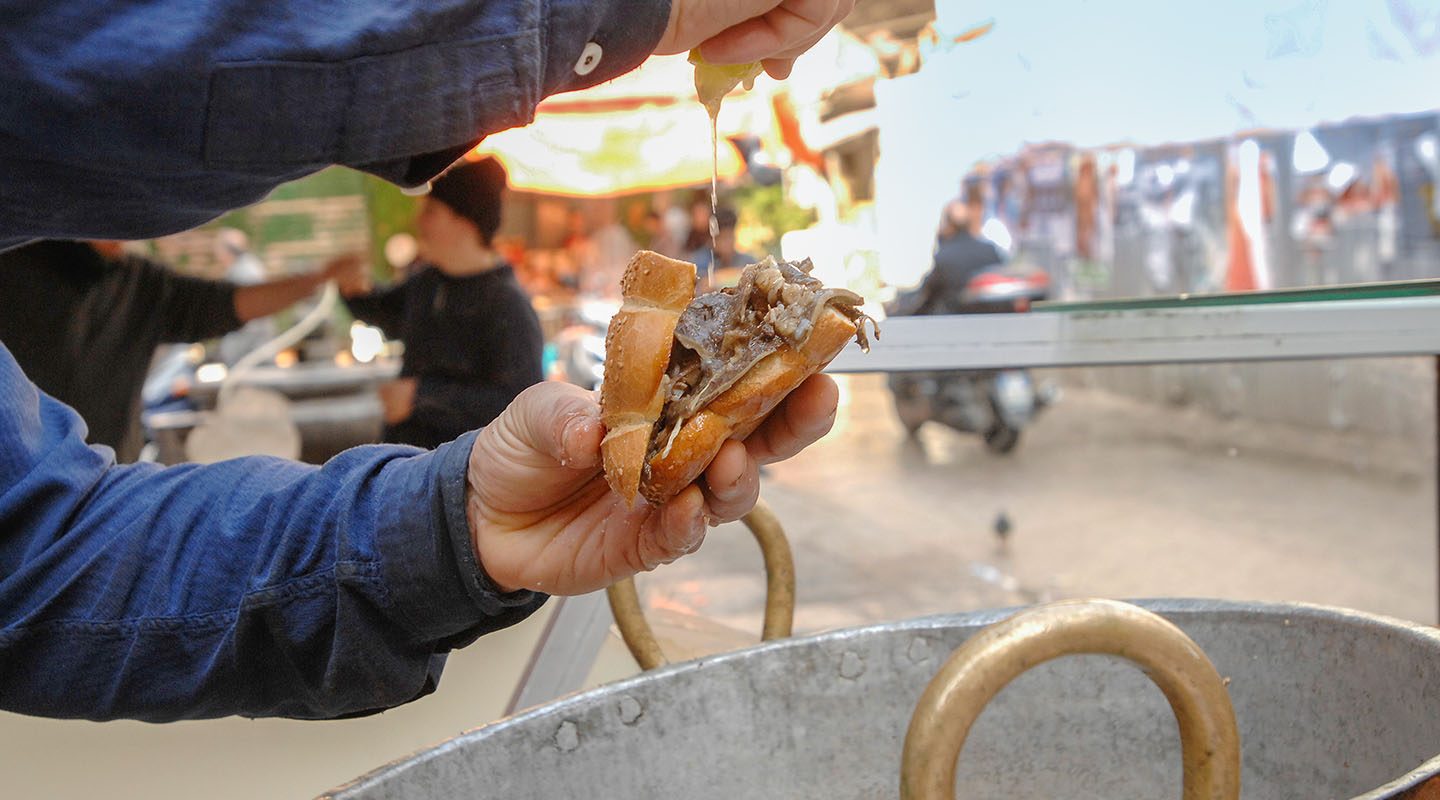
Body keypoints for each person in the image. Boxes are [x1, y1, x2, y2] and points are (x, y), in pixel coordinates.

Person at [0, 0, 855, 722]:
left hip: (458, 475)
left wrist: (461, 523)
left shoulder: (502, 303)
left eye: (429, 202)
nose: (417, 208)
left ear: (458, 222)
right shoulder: (419, 287)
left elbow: (40, 550)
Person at [0, 239, 366, 463]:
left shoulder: (142, 285)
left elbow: (230, 304)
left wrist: (319, 278)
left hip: (101, 493)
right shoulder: (15, 256)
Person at [343, 158, 545, 449]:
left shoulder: (507, 305)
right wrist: (351, 289)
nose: (419, 221)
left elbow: (520, 401)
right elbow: (386, 314)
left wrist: (422, 397)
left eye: (432, 211)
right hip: (410, 463)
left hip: (466, 478)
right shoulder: (428, 282)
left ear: (464, 222)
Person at [911, 197, 1005, 315]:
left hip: (955, 325)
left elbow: (925, 301)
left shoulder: (944, 257)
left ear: (948, 225)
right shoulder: (990, 251)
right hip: (991, 324)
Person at [688, 205, 758, 286]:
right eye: (723, 238)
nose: (728, 243)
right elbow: (702, 285)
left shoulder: (747, 260)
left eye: (730, 237)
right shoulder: (700, 260)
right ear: (711, 239)